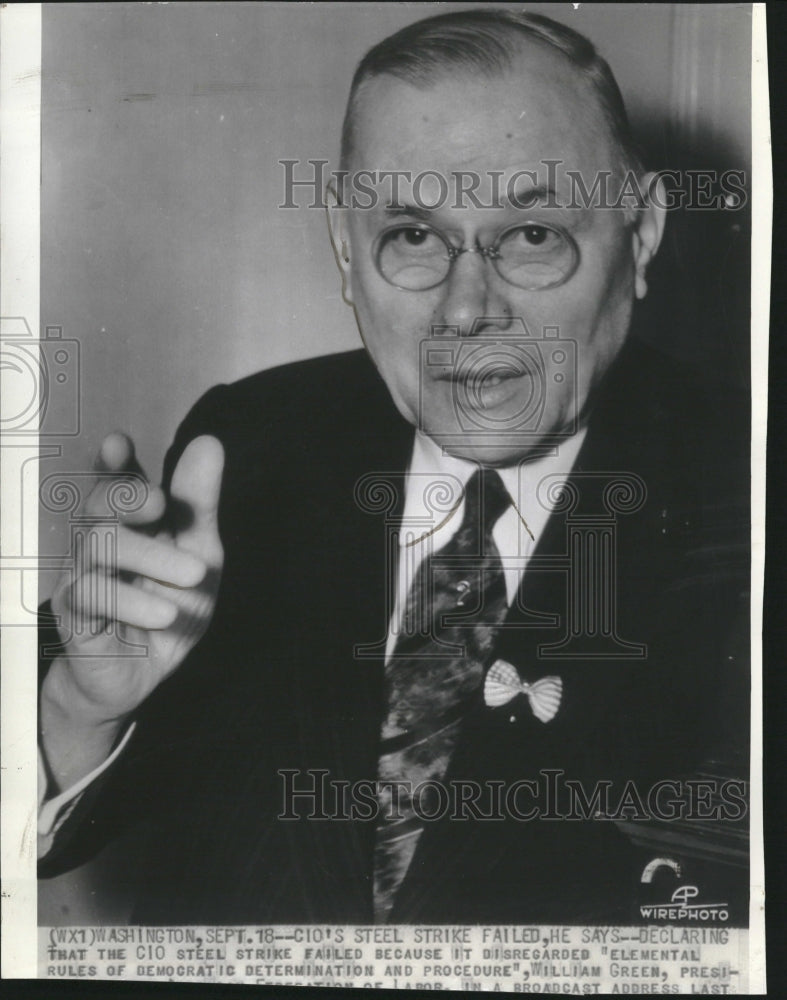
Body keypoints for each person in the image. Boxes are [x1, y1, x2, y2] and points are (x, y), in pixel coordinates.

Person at [38, 9, 749, 925]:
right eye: (413, 236)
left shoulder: (743, 483)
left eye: (532, 234)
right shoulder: (251, 445)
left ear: (641, 234)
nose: (465, 311)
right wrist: (77, 708)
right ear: (345, 252)